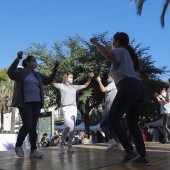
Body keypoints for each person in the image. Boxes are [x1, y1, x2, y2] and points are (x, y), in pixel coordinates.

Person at [90, 32, 150, 165]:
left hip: (128, 86)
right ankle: (142, 156)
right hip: (139, 87)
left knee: (112, 118)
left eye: (113, 40)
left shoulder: (119, 50)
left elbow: (109, 55)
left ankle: (129, 150)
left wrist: (95, 43)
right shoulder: (130, 55)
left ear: (117, 41)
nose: (112, 43)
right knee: (132, 124)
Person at [7, 51, 59, 158]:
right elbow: (10, 73)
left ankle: (33, 150)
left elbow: (49, 80)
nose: (36, 63)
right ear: (27, 62)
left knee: (33, 127)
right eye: (34, 61)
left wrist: (55, 67)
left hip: (37, 103)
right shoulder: (21, 72)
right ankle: (18, 146)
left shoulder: (37, 74)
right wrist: (17, 59)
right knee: (28, 124)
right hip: (25, 103)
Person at [51, 72, 94, 152]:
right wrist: (51, 75)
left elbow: (85, 85)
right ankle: (61, 143)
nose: (72, 79)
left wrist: (90, 78)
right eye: (70, 77)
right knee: (68, 127)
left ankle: (69, 145)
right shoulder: (61, 86)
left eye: (72, 77)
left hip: (73, 108)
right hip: (66, 108)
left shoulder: (74, 87)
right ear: (66, 77)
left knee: (72, 129)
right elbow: (52, 83)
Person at [96, 73, 120, 150]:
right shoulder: (116, 84)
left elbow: (103, 89)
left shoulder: (113, 84)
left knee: (103, 125)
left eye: (108, 77)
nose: (108, 79)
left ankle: (112, 141)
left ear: (111, 77)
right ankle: (117, 143)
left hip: (111, 109)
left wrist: (99, 81)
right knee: (111, 126)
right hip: (113, 109)